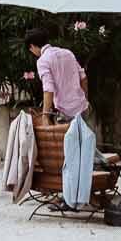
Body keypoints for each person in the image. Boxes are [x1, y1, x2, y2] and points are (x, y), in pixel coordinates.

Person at [27, 28, 96, 209]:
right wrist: (84, 98)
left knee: (66, 158)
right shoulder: (67, 52)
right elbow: (84, 77)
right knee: (84, 154)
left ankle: (68, 198)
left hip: (65, 113)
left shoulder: (43, 60)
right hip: (83, 108)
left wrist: (45, 115)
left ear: (33, 47)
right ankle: (84, 194)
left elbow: (48, 88)